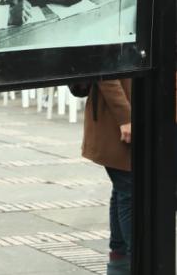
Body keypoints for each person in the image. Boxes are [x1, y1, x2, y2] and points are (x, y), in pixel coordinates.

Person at [81, 79, 132, 275]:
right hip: (117, 118)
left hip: (126, 113)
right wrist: (125, 117)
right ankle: (133, 258)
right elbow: (108, 73)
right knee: (129, 188)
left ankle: (120, 260)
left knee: (123, 187)